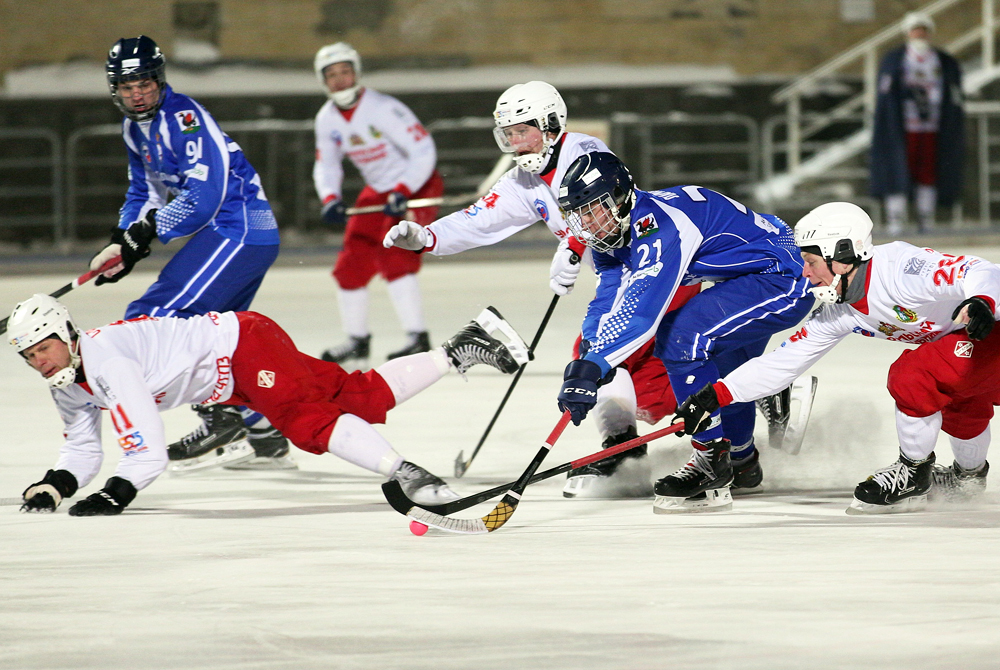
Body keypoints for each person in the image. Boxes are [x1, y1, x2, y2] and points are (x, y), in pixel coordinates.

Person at [384, 81, 809, 497]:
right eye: (508, 135)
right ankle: (737, 449)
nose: (517, 144)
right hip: (686, 271)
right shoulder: (567, 208)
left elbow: (636, 302)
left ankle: (710, 447)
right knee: (637, 358)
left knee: (677, 348)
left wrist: (573, 251)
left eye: (523, 131)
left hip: (706, 271)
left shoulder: (591, 165)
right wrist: (427, 238)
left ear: (551, 125)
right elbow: (484, 219)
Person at [10, 294, 528, 516]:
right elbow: (82, 448)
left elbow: (146, 453)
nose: (40, 362)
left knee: (304, 422)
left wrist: (116, 496)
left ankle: (407, 473)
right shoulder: (69, 382)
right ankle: (461, 347)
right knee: (353, 396)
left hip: (240, 350)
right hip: (235, 363)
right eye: (30, 356)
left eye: (45, 347)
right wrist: (54, 486)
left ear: (66, 333)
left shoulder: (107, 366)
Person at [671, 202, 998, 514]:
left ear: (843, 257)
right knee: (960, 397)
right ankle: (968, 478)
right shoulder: (839, 312)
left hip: (990, 333)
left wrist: (984, 302)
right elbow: (783, 363)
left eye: (812, 262)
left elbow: (981, 270)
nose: (806, 273)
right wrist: (716, 396)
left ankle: (913, 472)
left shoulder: (900, 269)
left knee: (914, 375)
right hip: (977, 353)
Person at [554, 152, 816, 513]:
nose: (587, 224)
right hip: (746, 276)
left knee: (681, 339)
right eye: (577, 214)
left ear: (620, 195)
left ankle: (711, 460)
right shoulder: (615, 234)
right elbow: (607, 300)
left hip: (782, 276)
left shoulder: (659, 228)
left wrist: (595, 365)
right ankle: (741, 461)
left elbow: (641, 313)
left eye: (593, 208)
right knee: (720, 371)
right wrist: (588, 356)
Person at [88, 36, 289, 471]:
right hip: (238, 234)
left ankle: (219, 419)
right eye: (126, 86)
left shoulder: (184, 118)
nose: (136, 93)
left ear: (159, 80)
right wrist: (121, 240)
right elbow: (145, 191)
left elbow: (205, 195)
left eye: (143, 83)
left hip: (238, 228)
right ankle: (263, 437)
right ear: (114, 90)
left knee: (156, 317)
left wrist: (146, 233)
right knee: (219, 338)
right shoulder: (133, 128)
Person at [313, 42, 443, 368]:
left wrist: (404, 190)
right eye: (332, 75)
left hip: (416, 183)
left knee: (394, 256)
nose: (340, 80)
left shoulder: (383, 108)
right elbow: (327, 165)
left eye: (345, 72)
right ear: (323, 80)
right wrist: (329, 196)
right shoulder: (326, 119)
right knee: (350, 265)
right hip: (379, 191)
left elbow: (423, 150)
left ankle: (418, 336)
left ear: (356, 73)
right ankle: (357, 341)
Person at [870, 11, 964, 235]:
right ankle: (896, 218)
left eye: (923, 30)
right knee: (898, 169)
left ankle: (926, 217)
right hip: (903, 127)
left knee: (928, 171)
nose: (919, 34)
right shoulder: (895, 60)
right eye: (915, 30)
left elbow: (953, 92)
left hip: (933, 126)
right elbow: (886, 93)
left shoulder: (942, 61)